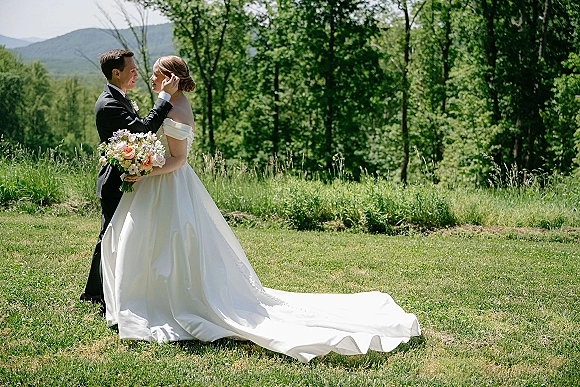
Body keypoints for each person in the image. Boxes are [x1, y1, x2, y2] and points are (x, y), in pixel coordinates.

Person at [101, 55, 421, 362]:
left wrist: (144, 171)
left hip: (169, 186)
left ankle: (170, 302)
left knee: (171, 246)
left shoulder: (177, 109)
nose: (150, 77)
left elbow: (178, 160)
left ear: (170, 77)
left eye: (156, 73)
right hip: (156, 188)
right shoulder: (168, 104)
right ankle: (145, 297)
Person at [80, 49, 179, 311]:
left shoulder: (120, 98)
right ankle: (98, 294)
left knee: (115, 236)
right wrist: (164, 97)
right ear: (117, 72)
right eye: (132, 69)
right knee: (110, 235)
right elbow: (143, 131)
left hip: (129, 177)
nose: (137, 73)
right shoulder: (109, 103)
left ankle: (97, 291)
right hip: (116, 179)